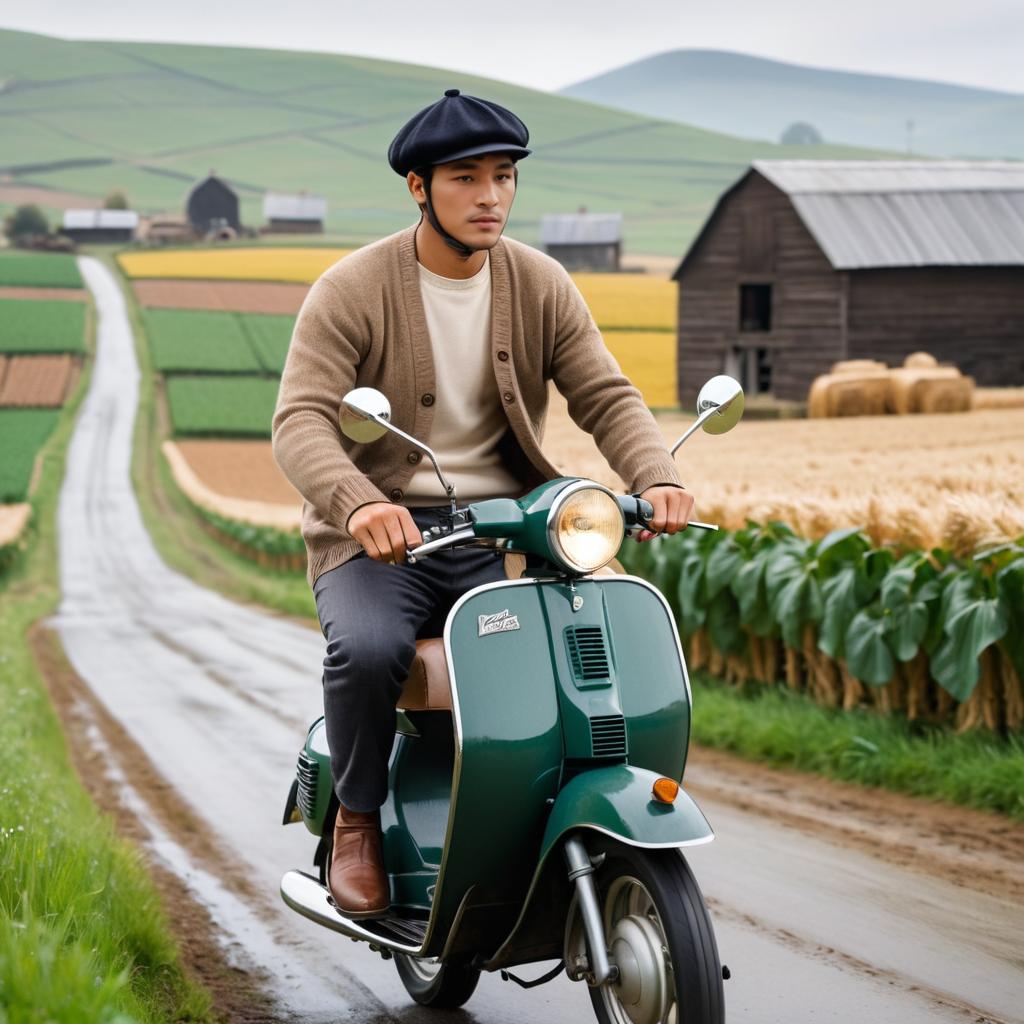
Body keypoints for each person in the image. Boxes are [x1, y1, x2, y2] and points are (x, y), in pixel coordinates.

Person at [271, 89, 694, 919]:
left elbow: (604, 392)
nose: (491, 196)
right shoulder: (352, 288)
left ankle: (544, 808)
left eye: (503, 177)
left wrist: (657, 476)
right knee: (367, 648)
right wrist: (358, 503)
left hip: (501, 533)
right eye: (466, 178)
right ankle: (357, 818)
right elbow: (300, 420)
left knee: (585, 635)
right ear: (418, 187)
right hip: (377, 543)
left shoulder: (539, 281)